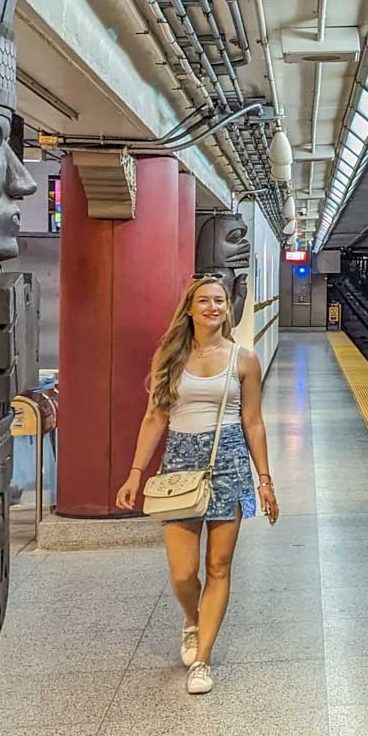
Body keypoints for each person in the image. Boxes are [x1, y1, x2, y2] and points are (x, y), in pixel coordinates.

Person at [115, 274, 278, 695]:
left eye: (219, 301)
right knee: (183, 572)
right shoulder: (169, 357)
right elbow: (154, 418)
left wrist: (264, 479)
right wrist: (136, 471)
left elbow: (253, 422)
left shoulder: (244, 360)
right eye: (203, 301)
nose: (212, 307)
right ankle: (192, 618)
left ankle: (202, 659)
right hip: (179, 467)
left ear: (228, 308)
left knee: (218, 567)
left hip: (229, 464)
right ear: (189, 308)